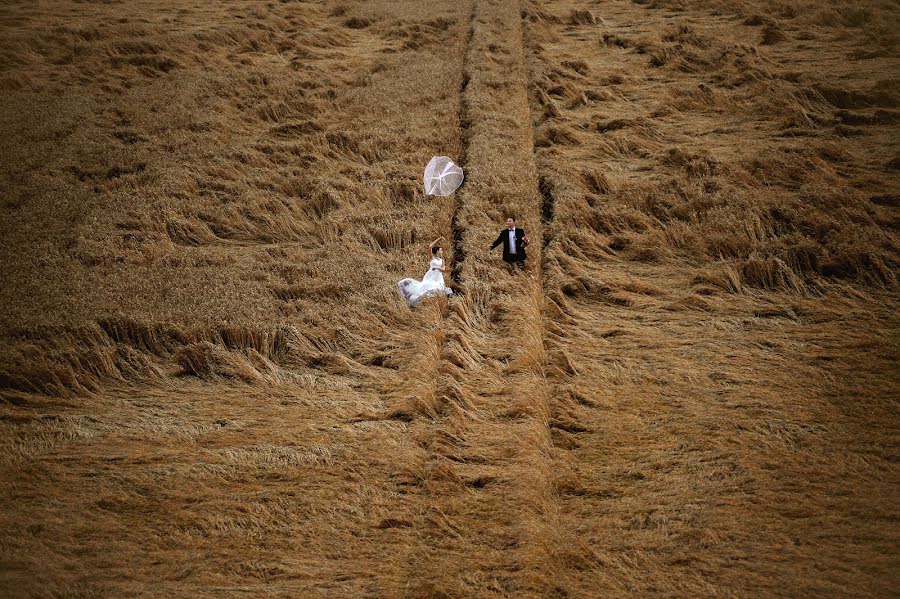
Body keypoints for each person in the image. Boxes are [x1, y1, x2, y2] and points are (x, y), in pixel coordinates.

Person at [398, 237, 453, 306]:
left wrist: (436, 267)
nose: (442, 252)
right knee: (426, 288)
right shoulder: (432, 258)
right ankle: (422, 302)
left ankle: (437, 303)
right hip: (430, 276)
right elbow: (430, 246)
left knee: (437, 289)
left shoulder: (442, 260)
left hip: (438, 277)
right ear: (437, 251)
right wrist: (439, 239)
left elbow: (443, 270)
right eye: (441, 250)